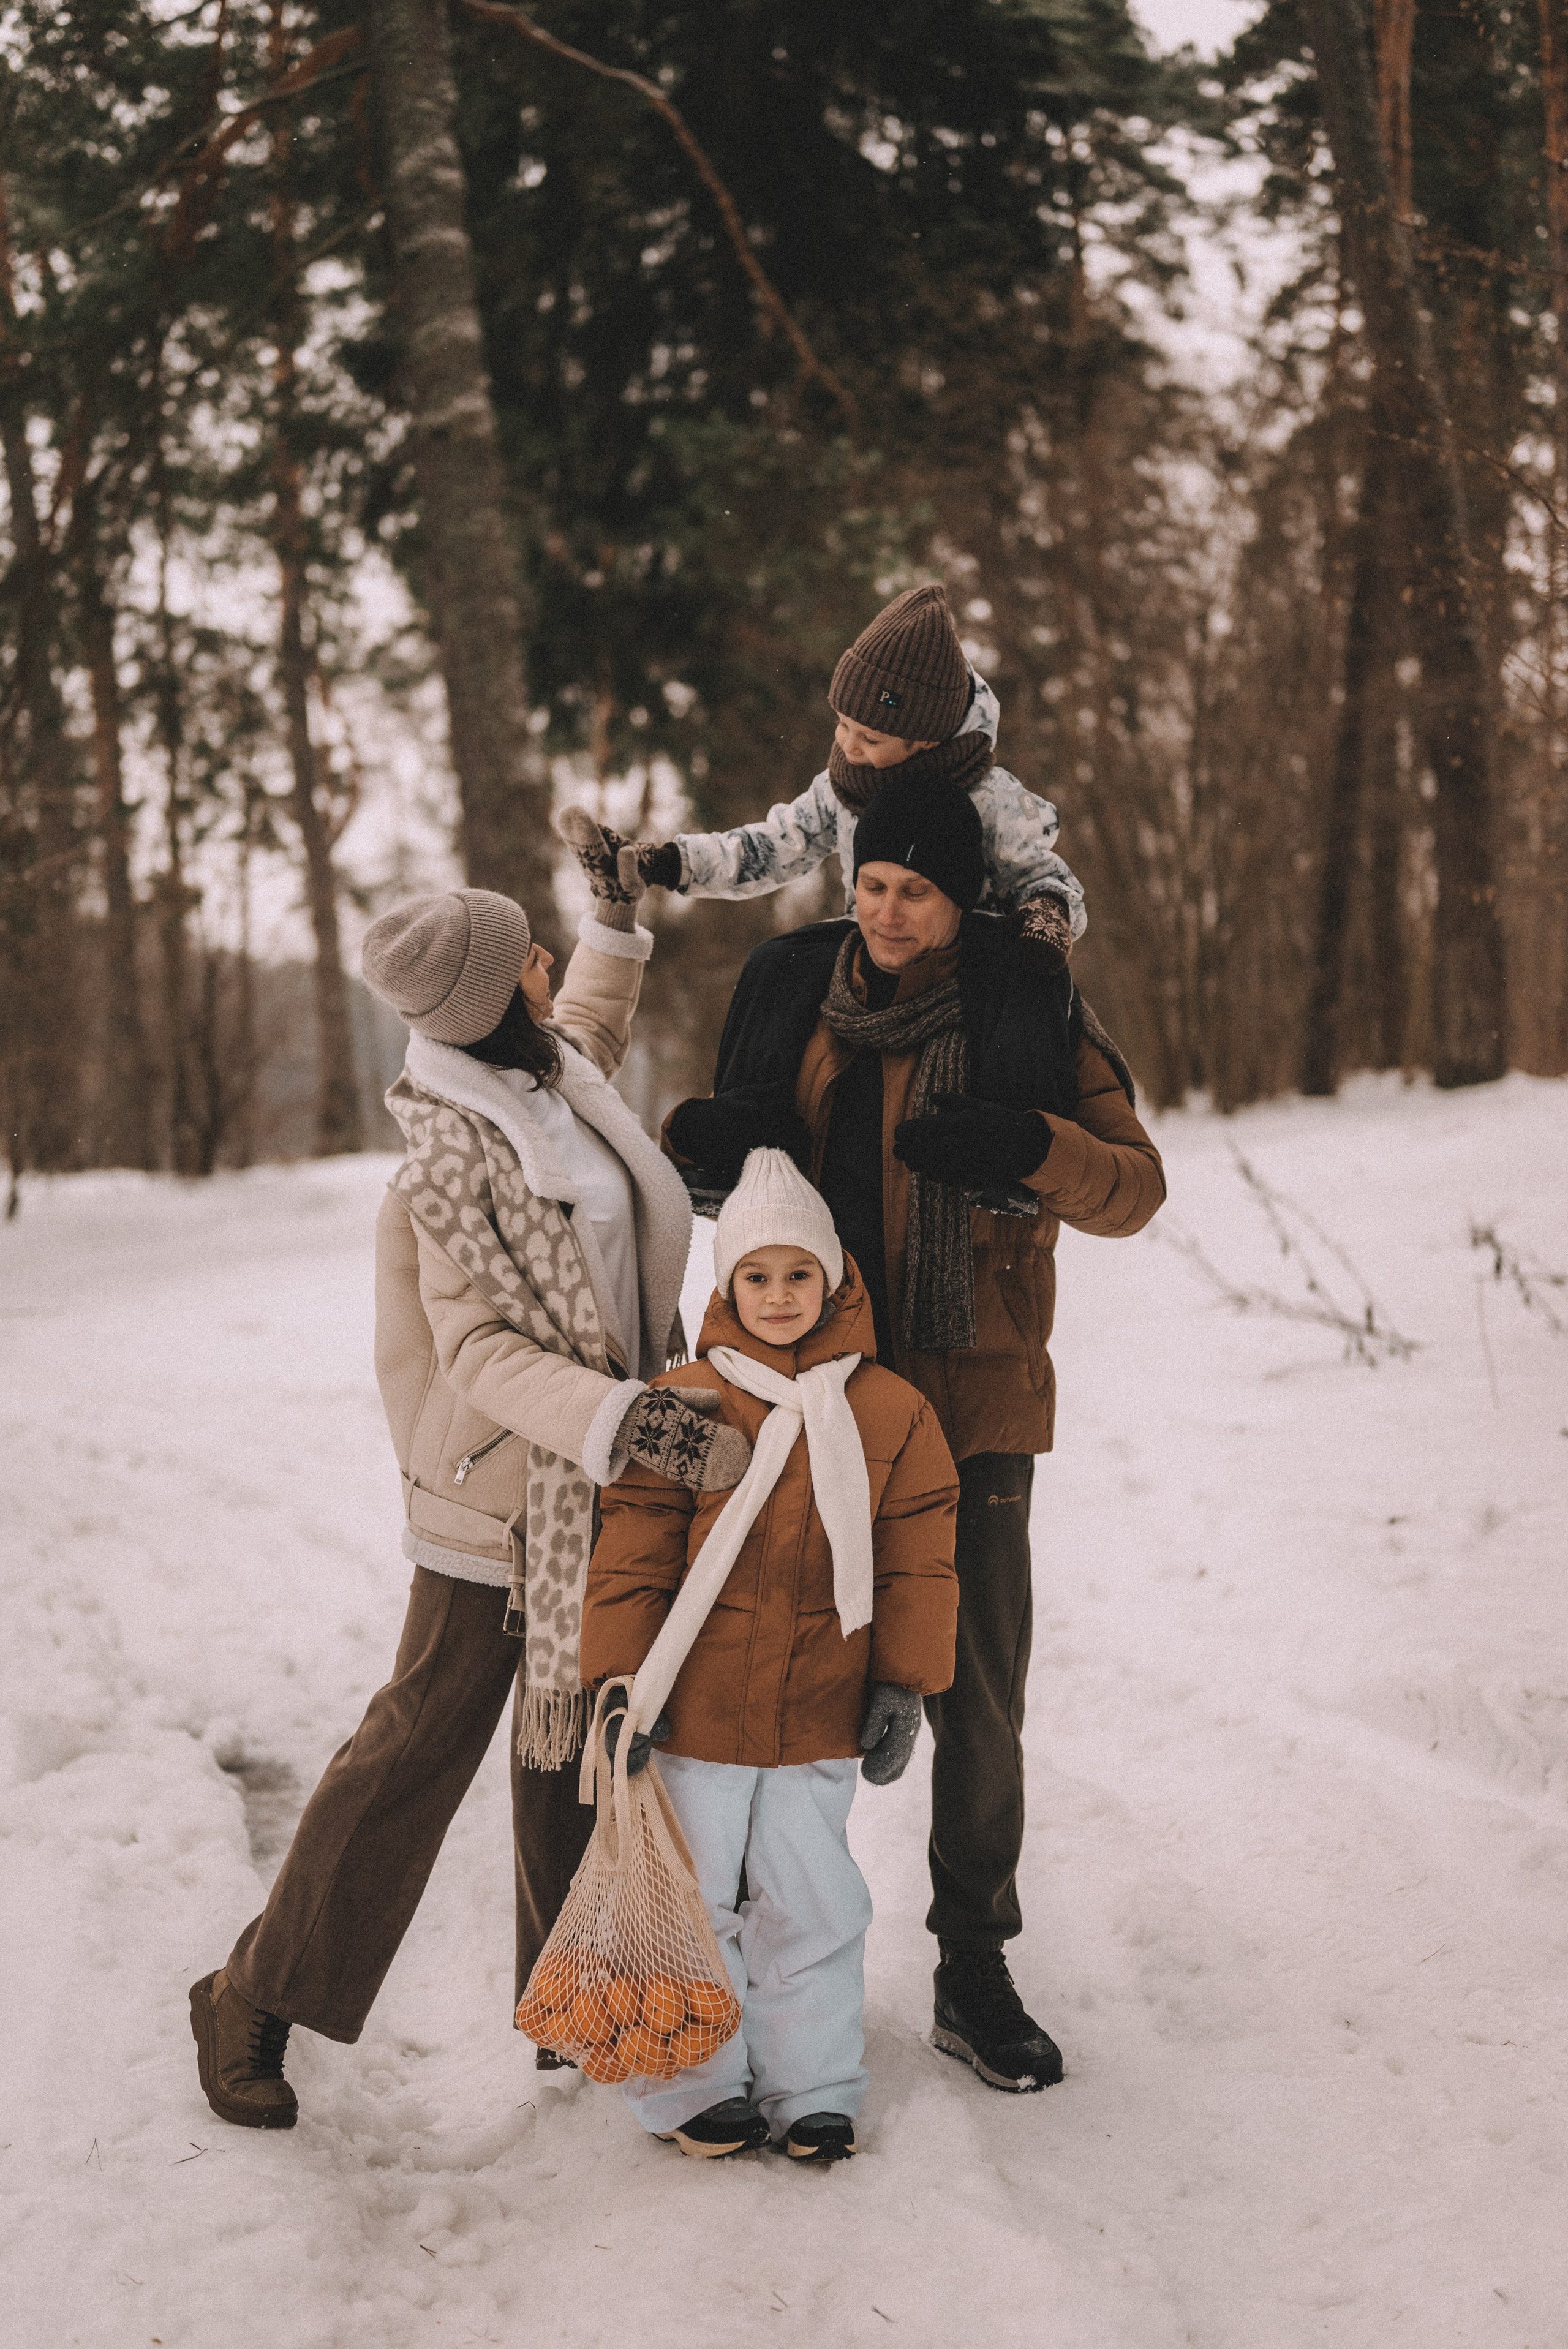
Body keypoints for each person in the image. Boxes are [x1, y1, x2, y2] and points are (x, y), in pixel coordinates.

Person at [190, 834, 750, 2131]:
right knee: (417, 1749)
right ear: (493, 1000)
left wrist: (618, 918)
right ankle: (249, 1993)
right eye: (532, 957)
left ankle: (583, 2015)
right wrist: (631, 1425)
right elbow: (483, 1354)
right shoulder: (446, 1164)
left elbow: (592, 1016)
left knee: (580, 1747)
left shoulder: (553, 1079)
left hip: (606, 1472)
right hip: (499, 1492)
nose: (550, 964)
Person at [662, 766, 1166, 2094]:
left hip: (974, 1403)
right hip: (819, 1403)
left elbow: (1132, 1189)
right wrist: (713, 1148)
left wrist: (1030, 1139)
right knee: (776, 1678)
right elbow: (751, 1192)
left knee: (977, 1696)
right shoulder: (796, 998)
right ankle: (752, 1962)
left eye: (917, 893)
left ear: (963, 899)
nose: (888, 914)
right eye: (872, 885)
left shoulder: (1027, 1004)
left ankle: (972, 1962)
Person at [580, 1148, 959, 2162]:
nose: (780, 1296)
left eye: (800, 1275)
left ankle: (815, 2086)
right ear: (727, 1284)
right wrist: (622, 1682)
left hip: (819, 1711)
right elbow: (630, 1552)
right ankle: (694, 2085)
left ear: (836, 1280)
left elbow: (919, 1561)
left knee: (812, 1902)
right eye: (758, 1276)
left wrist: (902, 1684)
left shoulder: (892, 1412)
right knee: (694, 1901)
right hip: (695, 1712)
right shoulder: (684, 1403)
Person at [558, 582, 1085, 972]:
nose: (848, 746)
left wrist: (1045, 919)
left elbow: (1047, 881)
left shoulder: (989, 799)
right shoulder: (841, 789)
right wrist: (667, 862)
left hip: (967, 965)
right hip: (872, 952)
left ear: (924, 738)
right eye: (843, 725)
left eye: (871, 738)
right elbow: (766, 850)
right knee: (774, 969)